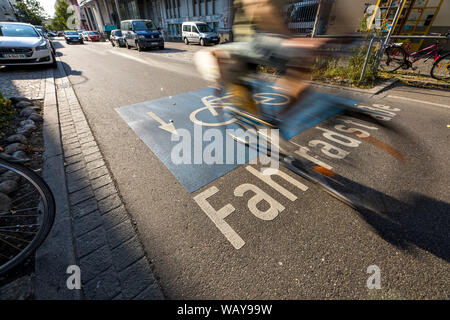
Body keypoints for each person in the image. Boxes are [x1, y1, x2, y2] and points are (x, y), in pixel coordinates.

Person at [209, 0, 332, 124]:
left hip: (262, 42)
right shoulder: (255, 9)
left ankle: (279, 117)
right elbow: (265, 19)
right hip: (252, 43)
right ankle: (270, 116)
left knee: (301, 83)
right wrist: (294, 43)